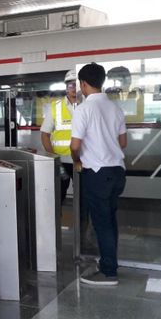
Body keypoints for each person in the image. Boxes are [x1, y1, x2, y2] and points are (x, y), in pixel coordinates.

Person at [70, 62, 127, 286]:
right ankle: (108, 262)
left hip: (96, 172)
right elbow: (123, 143)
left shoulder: (83, 109)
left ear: (83, 84)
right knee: (110, 220)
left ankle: (109, 272)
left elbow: (75, 146)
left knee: (102, 223)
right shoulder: (115, 108)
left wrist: (77, 162)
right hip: (117, 172)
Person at [41, 70, 81, 203]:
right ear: (66, 87)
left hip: (81, 160)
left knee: (83, 197)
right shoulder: (55, 107)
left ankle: (82, 223)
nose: (74, 88)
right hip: (61, 161)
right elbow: (45, 134)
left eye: (77, 84)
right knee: (58, 196)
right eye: (71, 85)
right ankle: (56, 222)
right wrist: (54, 158)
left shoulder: (88, 106)